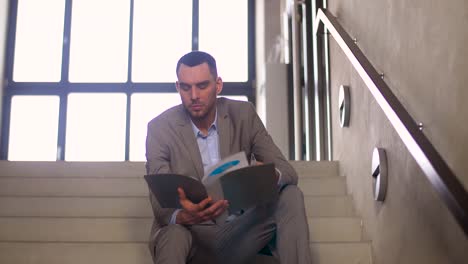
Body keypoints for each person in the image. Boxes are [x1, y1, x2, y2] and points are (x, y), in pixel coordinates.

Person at [145, 51, 311, 264]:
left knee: (291, 195)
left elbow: (287, 171)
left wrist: (267, 176)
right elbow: (159, 199)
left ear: (218, 85)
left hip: (238, 230)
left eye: (202, 86)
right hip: (192, 236)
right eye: (186, 87)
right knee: (173, 233)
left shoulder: (243, 114)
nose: (194, 95)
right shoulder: (159, 128)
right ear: (178, 88)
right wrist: (184, 215)